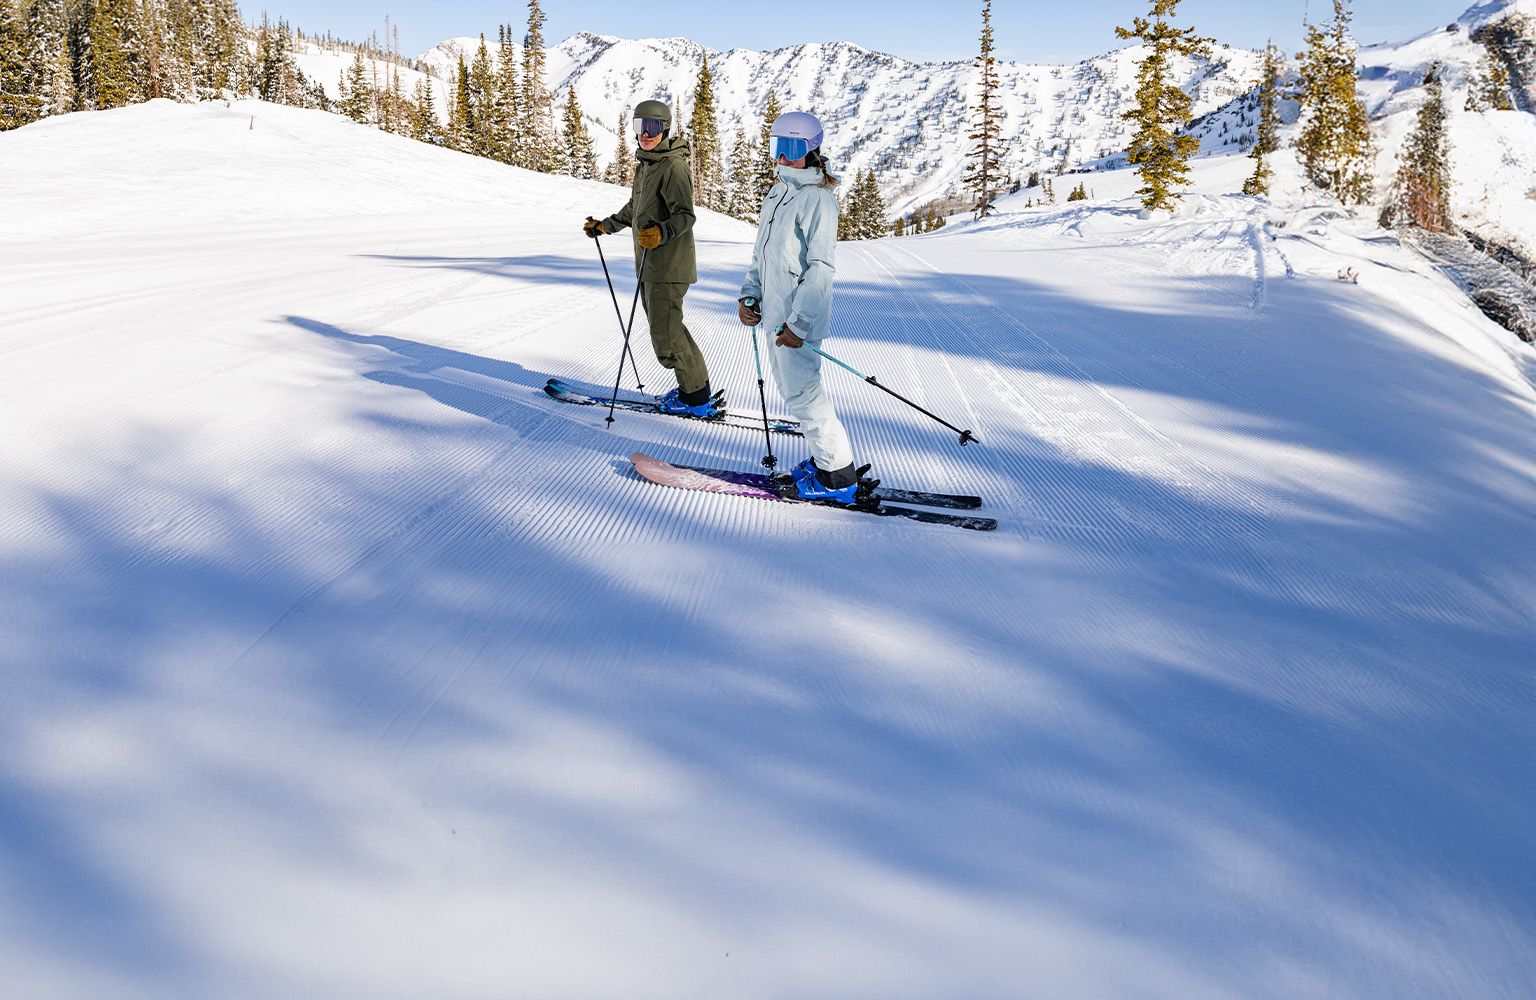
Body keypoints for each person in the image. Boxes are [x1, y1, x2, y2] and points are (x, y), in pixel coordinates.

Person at [737, 111, 861, 504]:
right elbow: (763, 255)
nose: (785, 157)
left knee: (805, 394)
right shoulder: (778, 192)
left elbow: (820, 267)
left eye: (792, 149)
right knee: (795, 393)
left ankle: (837, 475)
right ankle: (827, 462)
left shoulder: (818, 199)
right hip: (775, 316)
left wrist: (800, 322)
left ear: (811, 150)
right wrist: (749, 294)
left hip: (796, 321)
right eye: (779, 147)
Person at [583, 100, 716, 417]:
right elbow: (635, 210)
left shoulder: (673, 166)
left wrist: (661, 233)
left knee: (667, 337)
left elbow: (685, 216)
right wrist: (605, 226)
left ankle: (695, 399)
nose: (646, 134)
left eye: (652, 127)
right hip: (650, 267)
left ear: (665, 128)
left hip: (669, 266)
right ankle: (693, 390)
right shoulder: (647, 165)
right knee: (668, 331)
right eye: (640, 126)